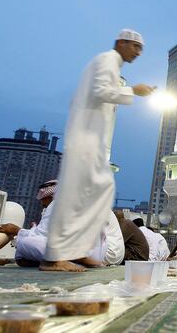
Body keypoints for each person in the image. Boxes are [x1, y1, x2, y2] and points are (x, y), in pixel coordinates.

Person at [41, 30, 154, 272]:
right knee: (73, 198)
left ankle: (77, 251)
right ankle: (54, 257)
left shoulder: (112, 63)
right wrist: (133, 90)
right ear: (121, 43)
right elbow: (100, 91)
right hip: (84, 139)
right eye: (135, 46)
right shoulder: (106, 60)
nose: (138, 52)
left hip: (93, 140)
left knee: (100, 192)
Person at [0, 181, 107, 267]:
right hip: (97, 254)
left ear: (51, 196)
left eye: (43, 199)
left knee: (24, 244)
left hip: (81, 251)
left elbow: (42, 236)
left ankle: (58, 263)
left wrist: (16, 231)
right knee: (25, 248)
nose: (41, 203)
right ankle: (72, 263)